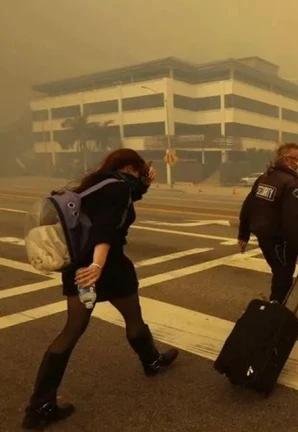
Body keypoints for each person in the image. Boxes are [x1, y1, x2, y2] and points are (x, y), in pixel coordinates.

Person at [22, 149, 179, 430]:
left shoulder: (95, 185)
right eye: (140, 172)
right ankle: (151, 361)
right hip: (108, 267)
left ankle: (40, 405)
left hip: (78, 269)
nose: (141, 177)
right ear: (131, 167)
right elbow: (106, 227)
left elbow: (116, 206)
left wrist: (143, 186)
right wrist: (97, 265)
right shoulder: (118, 188)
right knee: (133, 318)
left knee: (72, 329)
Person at [237, 143, 298, 303]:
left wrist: (243, 234)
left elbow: (248, 206)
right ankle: (273, 312)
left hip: (264, 237)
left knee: (278, 273)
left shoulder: (265, 177)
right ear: (287, 160)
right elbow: (293, 224)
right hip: (281, 241)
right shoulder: (291, 183)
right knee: (283, 277)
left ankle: (273, 308)